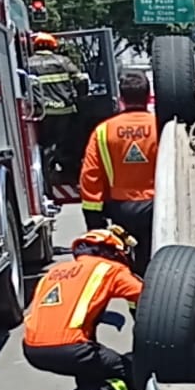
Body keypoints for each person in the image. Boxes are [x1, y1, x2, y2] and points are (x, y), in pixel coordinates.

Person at [22, 228, 143, 390]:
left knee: (93, 359)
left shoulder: (55, 272)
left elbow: (61, 306)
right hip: (70, 347)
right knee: (133, 371)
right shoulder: (109, 268)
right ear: (113, 251)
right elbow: (147, 295)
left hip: (32, 348)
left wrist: (98, 314)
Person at [80, 73, 158, 272]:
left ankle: (133, 296)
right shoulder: (161, 126)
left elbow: (91, 176)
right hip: (156, 207)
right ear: (148, 96)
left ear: (121, 98)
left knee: (123, 263)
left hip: (120, 210)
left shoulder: (103, 131)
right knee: (152, 258)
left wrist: (94, 220)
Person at [26, 33, 87, 179]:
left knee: (44, 142)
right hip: (64, 110)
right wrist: (81, 97)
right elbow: (81, 79)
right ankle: (66, 169)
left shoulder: (28, 63)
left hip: (41, 111)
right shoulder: (63, 61)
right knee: (67, 141)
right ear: (53, 46)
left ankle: (46, 171)